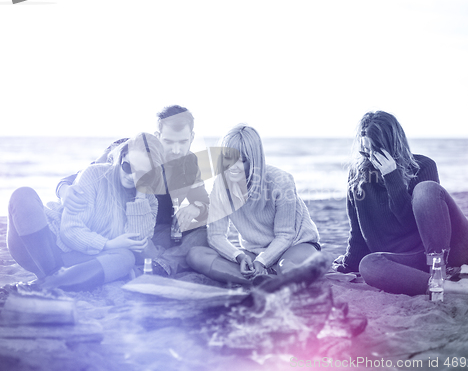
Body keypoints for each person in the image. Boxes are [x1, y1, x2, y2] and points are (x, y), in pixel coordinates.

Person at [333, 111, 468, 297]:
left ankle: (439, 273)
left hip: (450, 249)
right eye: (365, 151)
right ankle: (451, 287)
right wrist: (348, 263)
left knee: (426, 189)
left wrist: (392, 177)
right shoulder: (358, 177)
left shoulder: (423, 166)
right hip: (407, 261)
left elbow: (416, 223)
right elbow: (357, 233)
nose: (371, 158)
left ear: (393, 145)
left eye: (377, 151)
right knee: (368, 264)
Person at [56, 106, 210, 275]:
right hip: (129, 226)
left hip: (164, 231)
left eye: (183, 142)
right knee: (139, 243)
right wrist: (63, 189)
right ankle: (161, 262)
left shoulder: (189, 162)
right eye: (169, 142)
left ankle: (161, 264)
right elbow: (88, 174)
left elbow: (204, 201)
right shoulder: (129, 148)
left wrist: (196, 207)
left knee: (203, 234)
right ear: (158, 136)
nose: (176, 150)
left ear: (192, 137)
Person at [7, 133, 163, 291]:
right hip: (41, 245)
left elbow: (138, 243)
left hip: (76, 259)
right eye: (128, 167)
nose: (131, 176)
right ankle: (54, 277)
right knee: (22, 195)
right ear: (121, 158)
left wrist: (141, 196)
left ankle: (46, 285)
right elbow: (69, 231)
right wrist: (108, 244)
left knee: (125, 258)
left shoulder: (149, 202)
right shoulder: (95, 175)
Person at [186, 124, 321, 286]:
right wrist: (239, 256)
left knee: (285, 267)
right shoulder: (220, 186)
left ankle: (274, 278)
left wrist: (262, 262)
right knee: (197, 255)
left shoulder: (281, 181)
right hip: (255, 251)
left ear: (254, 160)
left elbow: (285, 235)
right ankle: (262, 281)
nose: (233, 166)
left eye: (242, 160)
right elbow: (216, 236)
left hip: (297, 245)